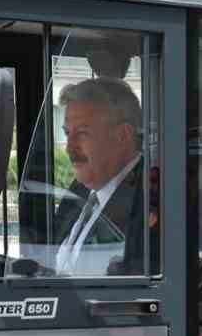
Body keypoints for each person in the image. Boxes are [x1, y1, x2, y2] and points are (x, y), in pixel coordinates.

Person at [52, 76, 155, 276]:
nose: (69, 148)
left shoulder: (149, 197)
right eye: (67, 134)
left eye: (82, 134)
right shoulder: (79, 190)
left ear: (123, 136)